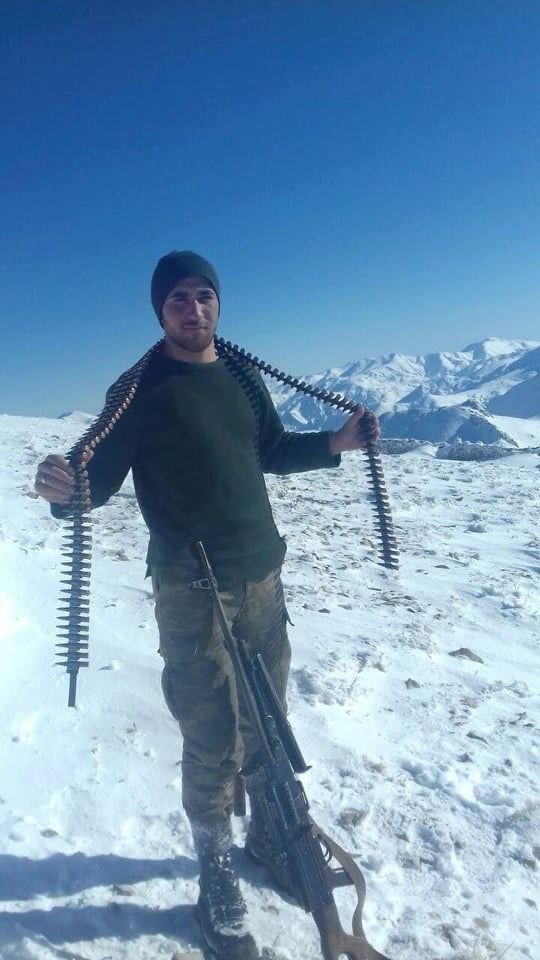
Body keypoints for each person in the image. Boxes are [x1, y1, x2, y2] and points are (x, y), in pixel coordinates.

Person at [35, 251, 380, 960]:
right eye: (177, 300)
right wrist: (64, 490)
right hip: (191, 589)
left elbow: (271, 449)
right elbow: (97, 479)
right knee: (211, 730)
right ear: (160, 312)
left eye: (203, 296)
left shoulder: (243, 375)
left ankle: (272, 840)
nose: (193, 310)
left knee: (267, 721)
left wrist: (336, 443)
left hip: (262, 575)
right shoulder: (139, 388)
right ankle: (216, 870)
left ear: (218, 303)